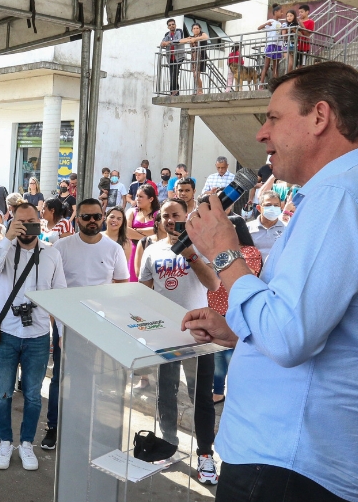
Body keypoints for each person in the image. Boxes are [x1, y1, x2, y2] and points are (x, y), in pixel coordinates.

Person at [181, 62, 358, 502]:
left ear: (320, 117)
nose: (262, 134)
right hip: (312, 460)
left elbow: (287, 337)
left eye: (273, 118)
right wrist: (242, 328)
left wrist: (224, 253)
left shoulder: (341, 198)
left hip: (290, 462)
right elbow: (322, 322)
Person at [137, 198, 221, 486]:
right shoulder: (152, 250)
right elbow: (144, 292)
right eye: (165, 216)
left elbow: (213, 285)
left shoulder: (201, 246)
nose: (170, 220)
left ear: (187, 216)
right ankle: (168, 446)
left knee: (201, 398)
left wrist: (190, 255)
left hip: (199, 337)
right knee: (166, 394)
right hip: (165, 337)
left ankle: (205, 455)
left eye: (176, 215)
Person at [0, 202, 66, 470]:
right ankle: (6, 442)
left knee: (32, 395)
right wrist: (6, 238)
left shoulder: (51, 254)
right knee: (3, 393)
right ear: (12, 222)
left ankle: (27, 443)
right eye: (20, 222)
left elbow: (60, 296)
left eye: (31, 221)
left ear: (40, 221)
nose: (26, 226)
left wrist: (61, 333)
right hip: (6, 333)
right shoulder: (5, 249)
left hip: (38, 335)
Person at [42, 199, 129, 450]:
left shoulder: (113, 249)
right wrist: (58, 328)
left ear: (102, 218)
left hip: (99, 328)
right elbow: (52, 291)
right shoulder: (62, 247)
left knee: (94, 380)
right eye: (86, 216)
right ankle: (54, 428)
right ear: (76, 218)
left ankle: (85, 429)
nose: (92, 221)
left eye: (97, 216)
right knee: (61, 378)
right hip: (66, 326)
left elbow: (121, 286)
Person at [206, 216, 262, 404]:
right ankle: (218, 390)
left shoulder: (250, 252)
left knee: (232, 357)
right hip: (214, 308)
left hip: (234, 310)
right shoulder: (214, 251)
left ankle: (240, 392)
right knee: (217, 356)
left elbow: (243, 278)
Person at [125, 184, 159, 281]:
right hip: (133, 250)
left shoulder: (158, 214)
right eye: (137, 196)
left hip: (152, 250)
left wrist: (135, 231)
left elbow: (159, 230)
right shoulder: (131, 211)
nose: (137, 199)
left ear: (151, 199)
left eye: (141, 196)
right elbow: (126, 231)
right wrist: (149, 234)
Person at [245, 190, 285, 261]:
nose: (272, 208)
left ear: (280, 207)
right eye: (268, 205)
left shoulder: (287, 229)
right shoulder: (247, 228)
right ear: (259, 208)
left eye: (276, 205)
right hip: (254, 271)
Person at [179, 22, 209, 94]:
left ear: (200, 29)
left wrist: (195, 39)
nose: (196, 30)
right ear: (192, 30)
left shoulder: (202, 34)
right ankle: (198, 90)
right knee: (194, 75)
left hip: (201, 57)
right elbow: (180, 41)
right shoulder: (191, 37)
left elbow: (206, 37)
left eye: (197, 28)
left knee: (196, 74)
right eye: (194, 28)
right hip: (193, 58)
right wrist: (189, 39)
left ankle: (200, 91)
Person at [258, 10, 284, 85]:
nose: (281, 13)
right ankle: (261, 84)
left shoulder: (279, 23)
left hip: (278, 45)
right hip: (270, 44)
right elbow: (259, 28)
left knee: (276, 66)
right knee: (267, 65)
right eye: (280, 11)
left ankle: (275, 84)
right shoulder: (270, 21)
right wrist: (266, 24)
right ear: (275, 12)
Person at [160, 18, 184, 95]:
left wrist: (168, 42)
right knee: (172, 74)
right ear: (168, 27)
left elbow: (178, 41)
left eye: (173, 24)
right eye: (169, 25)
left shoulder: (179, 31)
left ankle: (175, 92)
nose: (171, 26)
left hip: (179, 56)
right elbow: (162, 43)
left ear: (175, 25)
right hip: (170, 57)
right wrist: (164, 43)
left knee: (175, 73)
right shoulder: (167, 34)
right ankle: (173, 92)